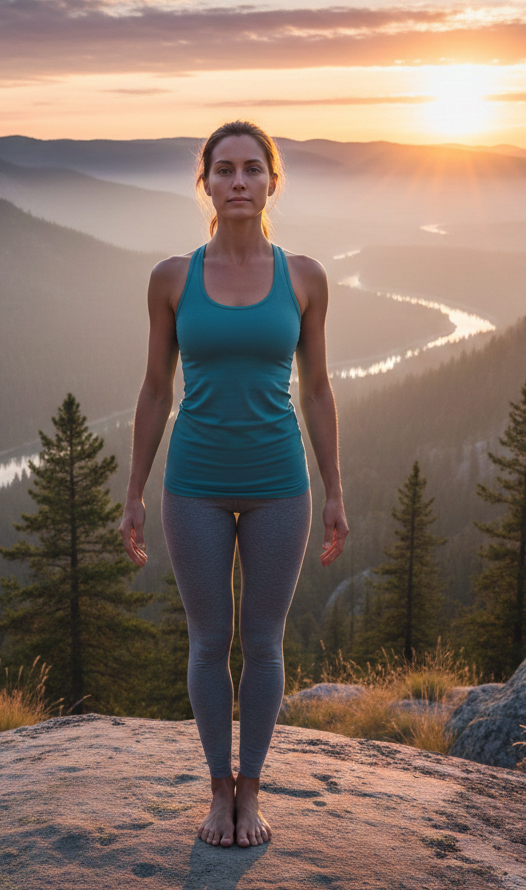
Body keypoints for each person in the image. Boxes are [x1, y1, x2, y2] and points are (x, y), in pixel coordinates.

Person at [120, 120, 348, 849]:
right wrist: (134, 490)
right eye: (225, 169)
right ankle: (218, 790)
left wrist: (335, 489)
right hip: (194, 484)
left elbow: (318, 389)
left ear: (272, 181)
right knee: (209, 640)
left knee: (264, 641)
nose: (239, 181)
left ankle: (253, 791)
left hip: (281, 483)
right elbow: (156, 389)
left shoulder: (304, 277)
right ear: (206, 183)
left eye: (253, 168)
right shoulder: (172, 278)